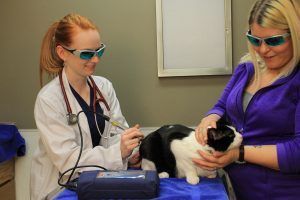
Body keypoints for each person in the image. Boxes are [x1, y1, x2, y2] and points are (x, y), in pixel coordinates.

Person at [194, 0, 300, 199]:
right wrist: (209, 119)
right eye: (254, 39)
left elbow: (297, 153)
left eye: (274, 41)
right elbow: (221, 107)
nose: (262, 50)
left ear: (295, 34)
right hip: (243, 191)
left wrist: (238, 153)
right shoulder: (247, 68)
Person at [31, 13, 144, 200]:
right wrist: (118, 153)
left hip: (98, 184)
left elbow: (116, 133)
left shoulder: (104, 87)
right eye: (86, 54)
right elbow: (69, 162)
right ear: (62, 53)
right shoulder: (49, 100)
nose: (96, 60)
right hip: (59, 189)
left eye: (99, 51)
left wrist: (129, 151)